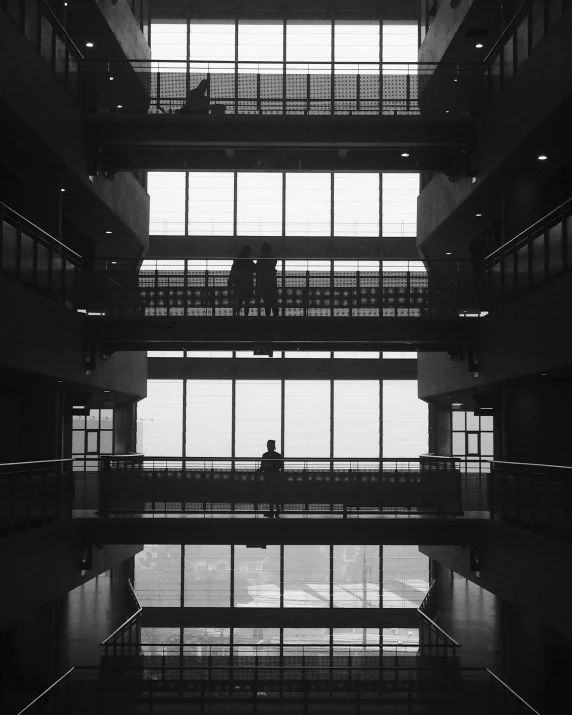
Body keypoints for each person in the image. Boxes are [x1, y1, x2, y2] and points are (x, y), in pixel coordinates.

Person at [228, 246, 255, 316]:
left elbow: (233, 271)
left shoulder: (237, 261)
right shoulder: (249, 261)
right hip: (248, 282)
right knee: (247, 300)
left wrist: (230, 281)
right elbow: (255, 268)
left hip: (238, 282)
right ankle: (246, 314)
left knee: (239, 299)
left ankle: (237, 314)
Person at [260, 439, 283, 518]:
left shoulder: (265, 455)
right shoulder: (278, 455)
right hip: (276, 476)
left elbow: (262, 466)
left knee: (270, 494)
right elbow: (280, 465)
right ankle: (277, 510)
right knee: (275, 493)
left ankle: (272, 510)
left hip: (268, 476)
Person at [256, 243, 279, 316]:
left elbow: (258, 267)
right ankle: (275, 312)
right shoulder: (273, 257)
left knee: (266, 297)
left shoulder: (260, 257)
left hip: (263, 278)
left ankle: (267, 312)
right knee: (273, 296)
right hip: (272, 278)